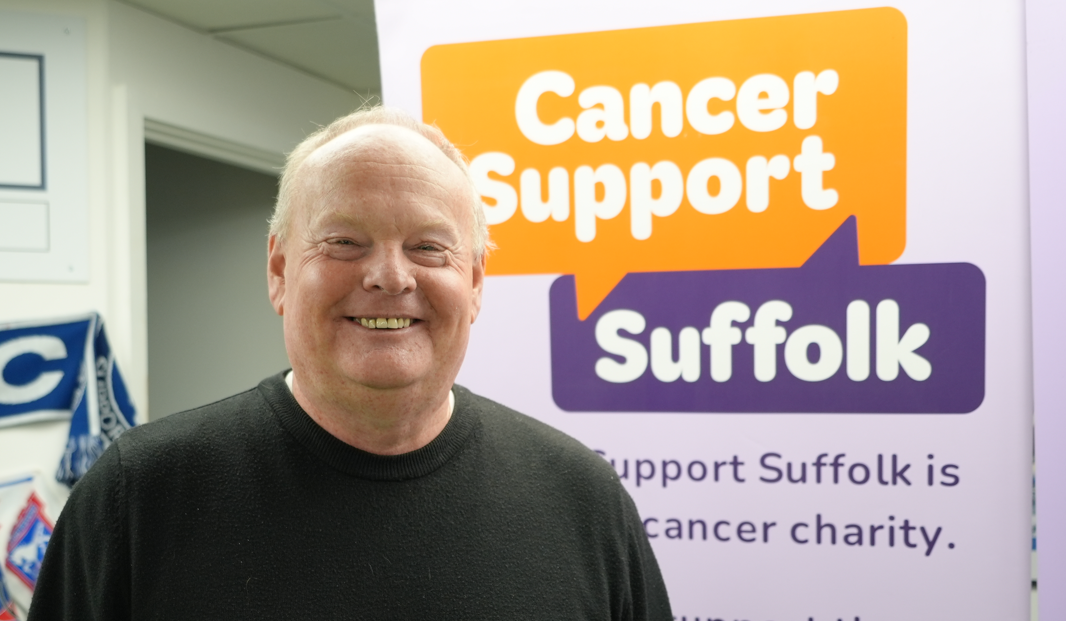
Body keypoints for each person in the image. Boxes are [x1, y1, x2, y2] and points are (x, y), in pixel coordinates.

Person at [28, 107, 671, 620]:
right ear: (279, 271)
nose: (390, 277)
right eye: (343, 242)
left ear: (475, 282)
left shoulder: (583, 500)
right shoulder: (137, 497)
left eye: (427, 247)